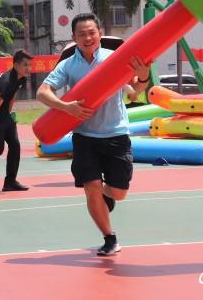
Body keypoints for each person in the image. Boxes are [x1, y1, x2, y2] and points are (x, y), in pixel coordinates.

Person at [36, 13, 151, 256]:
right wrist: (65, 107)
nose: (87, 38)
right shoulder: (68, 65)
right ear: (74, 37)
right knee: (91, 186)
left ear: (99, 33)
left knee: (118, 192)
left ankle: (105, 196)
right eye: (82, 34)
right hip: (84, 137)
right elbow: (42, 92)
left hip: (116, 133)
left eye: (91, 33)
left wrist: (143, 75)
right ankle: (109, 237)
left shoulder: (115, 59)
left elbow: (135, 92)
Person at [0, 49, 33, 192]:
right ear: (16, 65)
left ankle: (10, 182)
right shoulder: (5, 82)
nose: (28, 68)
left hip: (4, 115)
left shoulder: (21, 78)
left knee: (15, 146)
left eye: (30, 65)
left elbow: (12, 96)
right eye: (25, 65)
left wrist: (9, 115)